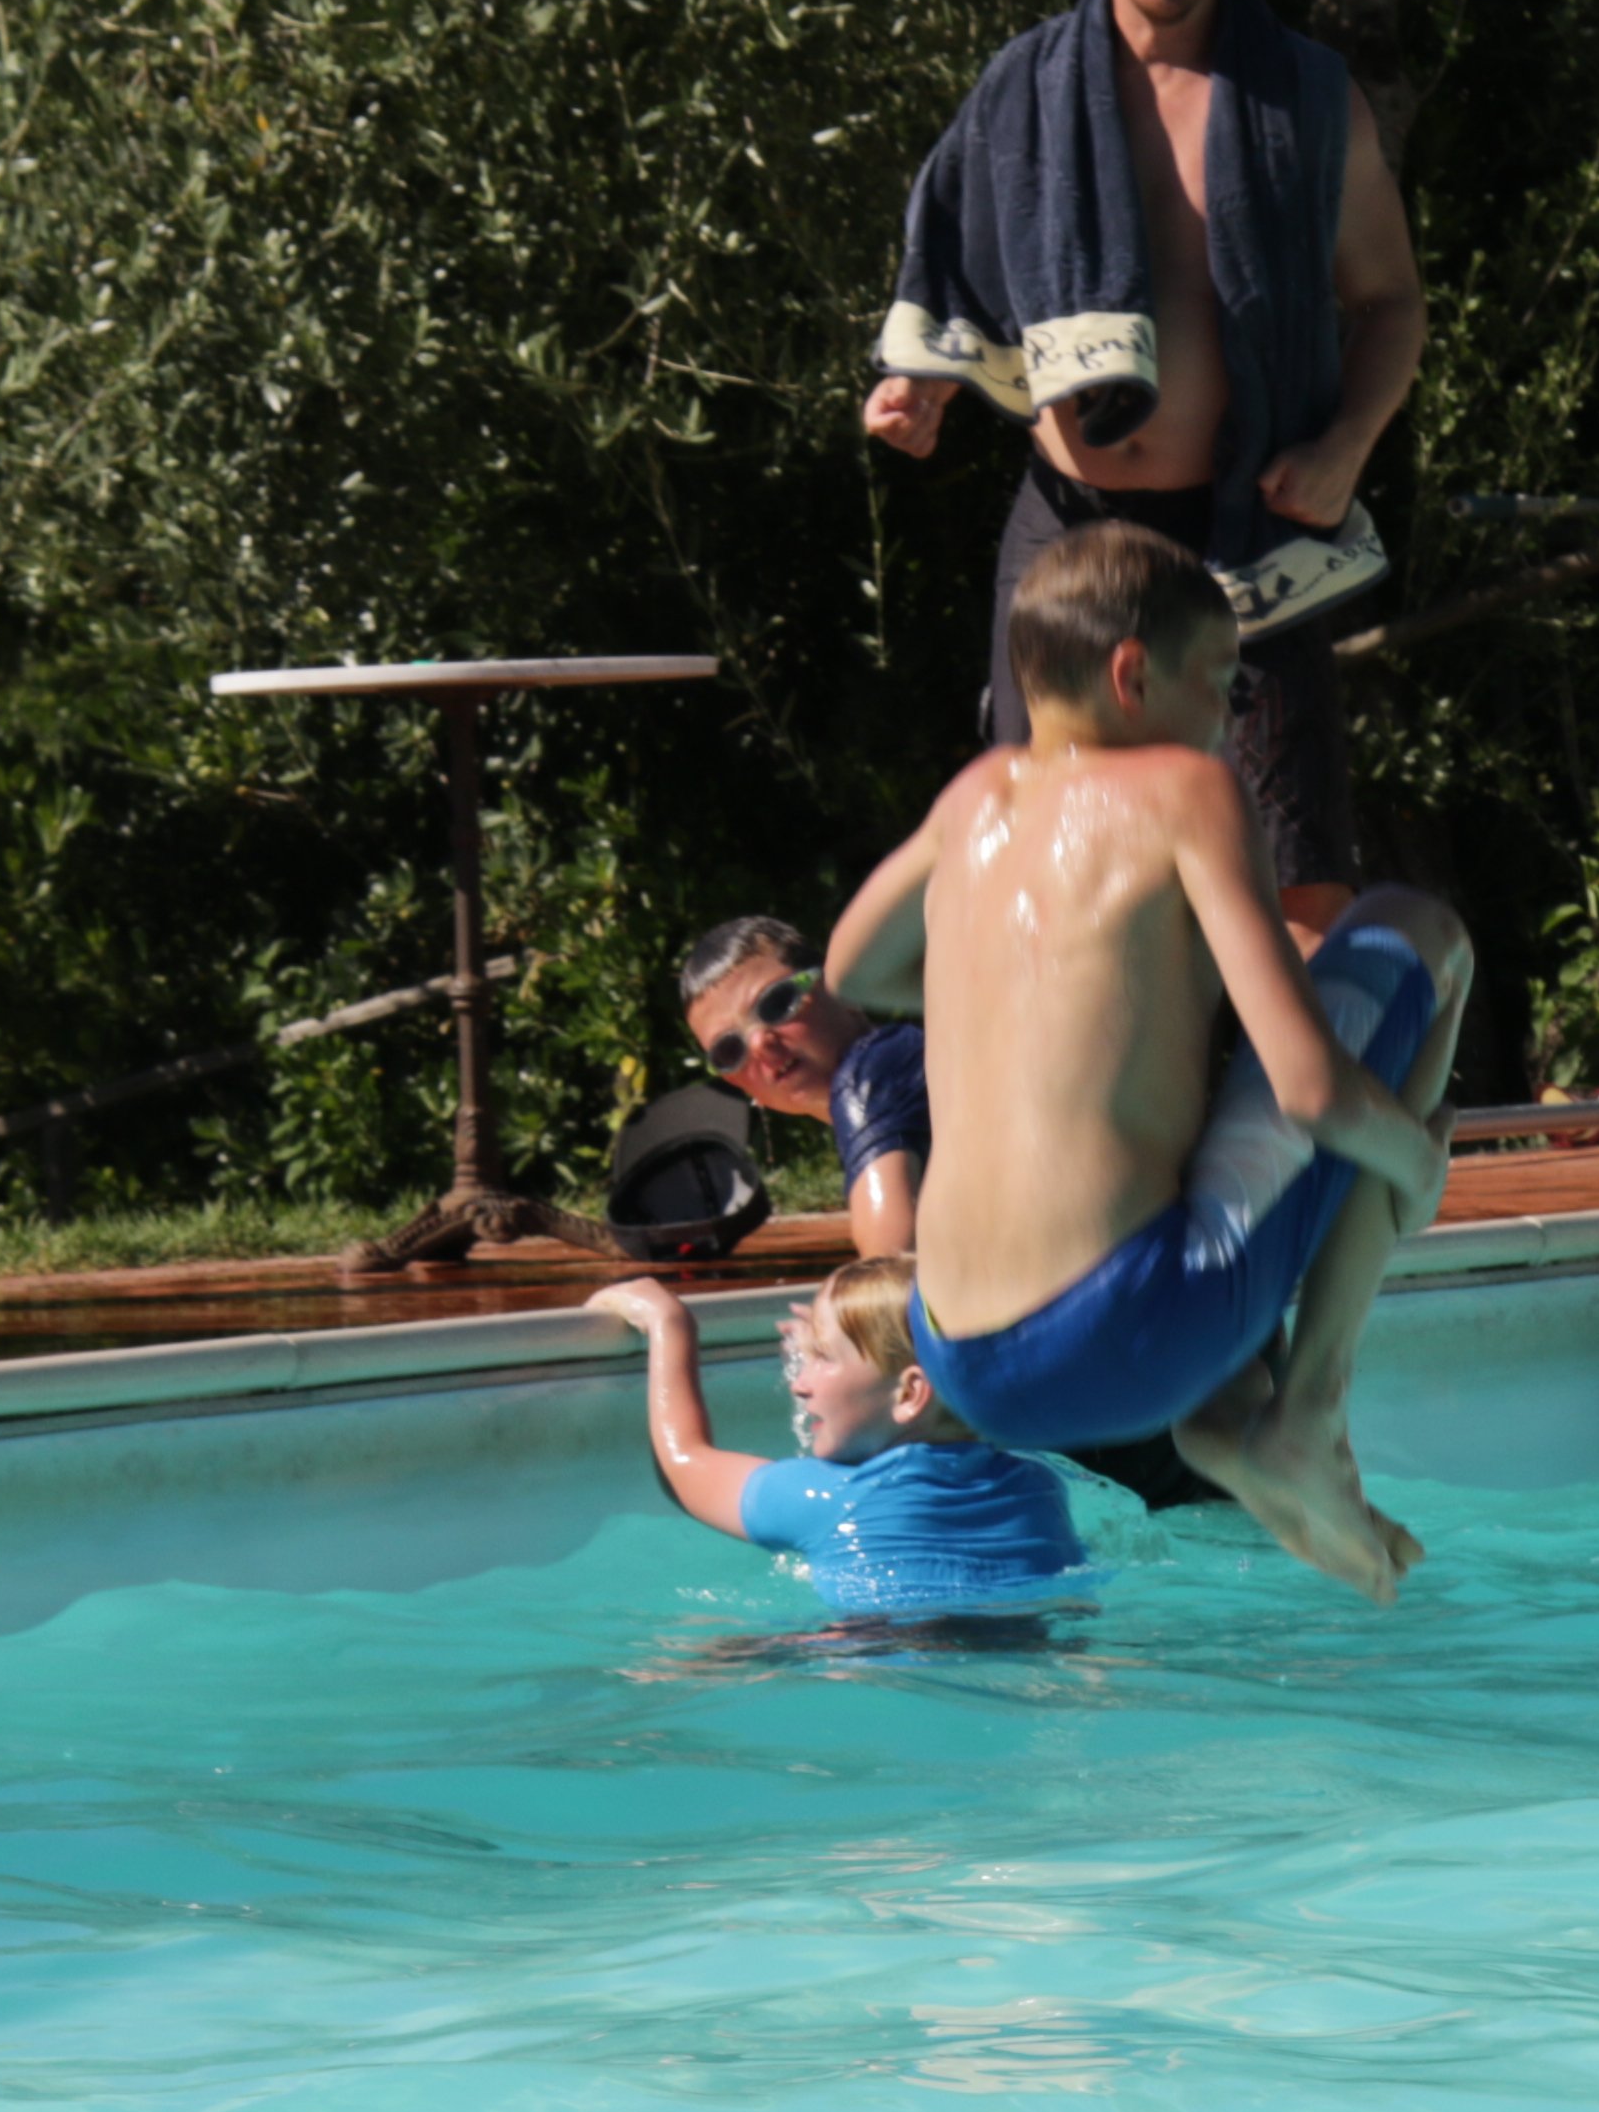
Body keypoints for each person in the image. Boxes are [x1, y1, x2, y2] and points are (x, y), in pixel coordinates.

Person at [825, 522, 1467, 1597]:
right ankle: (1308, 1409)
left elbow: (853, 966)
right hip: (1126, 1329)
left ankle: (1227, 1412)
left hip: (960, 1359)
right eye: (1221, 685)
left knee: (1192, 1165)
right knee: (1423, 935)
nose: (1227, 718)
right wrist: (1417, 1168)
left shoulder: (975, 798)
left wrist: (1007, 978)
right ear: (1133, 674)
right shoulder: (1184, 787)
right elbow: (1311, 1089)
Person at [860, 0, 1427, 892]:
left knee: (1296, 876)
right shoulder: (1023, 92)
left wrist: (1346, 446)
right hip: (1067, 531)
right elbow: (955, 281)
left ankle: (1290, 1019)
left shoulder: (1310, 101)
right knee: (1034, 871)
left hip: (1248, 534)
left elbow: (1392, 304)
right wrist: (921, 389)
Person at [587, 1260, 1087, 1619]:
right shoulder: (1040, 1488)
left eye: (822, 1358)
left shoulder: (829, 1498)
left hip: (870, 1670)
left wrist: (670, 1325)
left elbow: (683, 1462)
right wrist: (839, 1338)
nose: (799, 1383)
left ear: (910, 1393)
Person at [678, 911, 922, 1251]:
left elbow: (888, 1267)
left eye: (777, 1003)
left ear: (842, 992)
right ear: (738, 1084)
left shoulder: (875, 1069)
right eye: (729, 1050)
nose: (759, 1043)